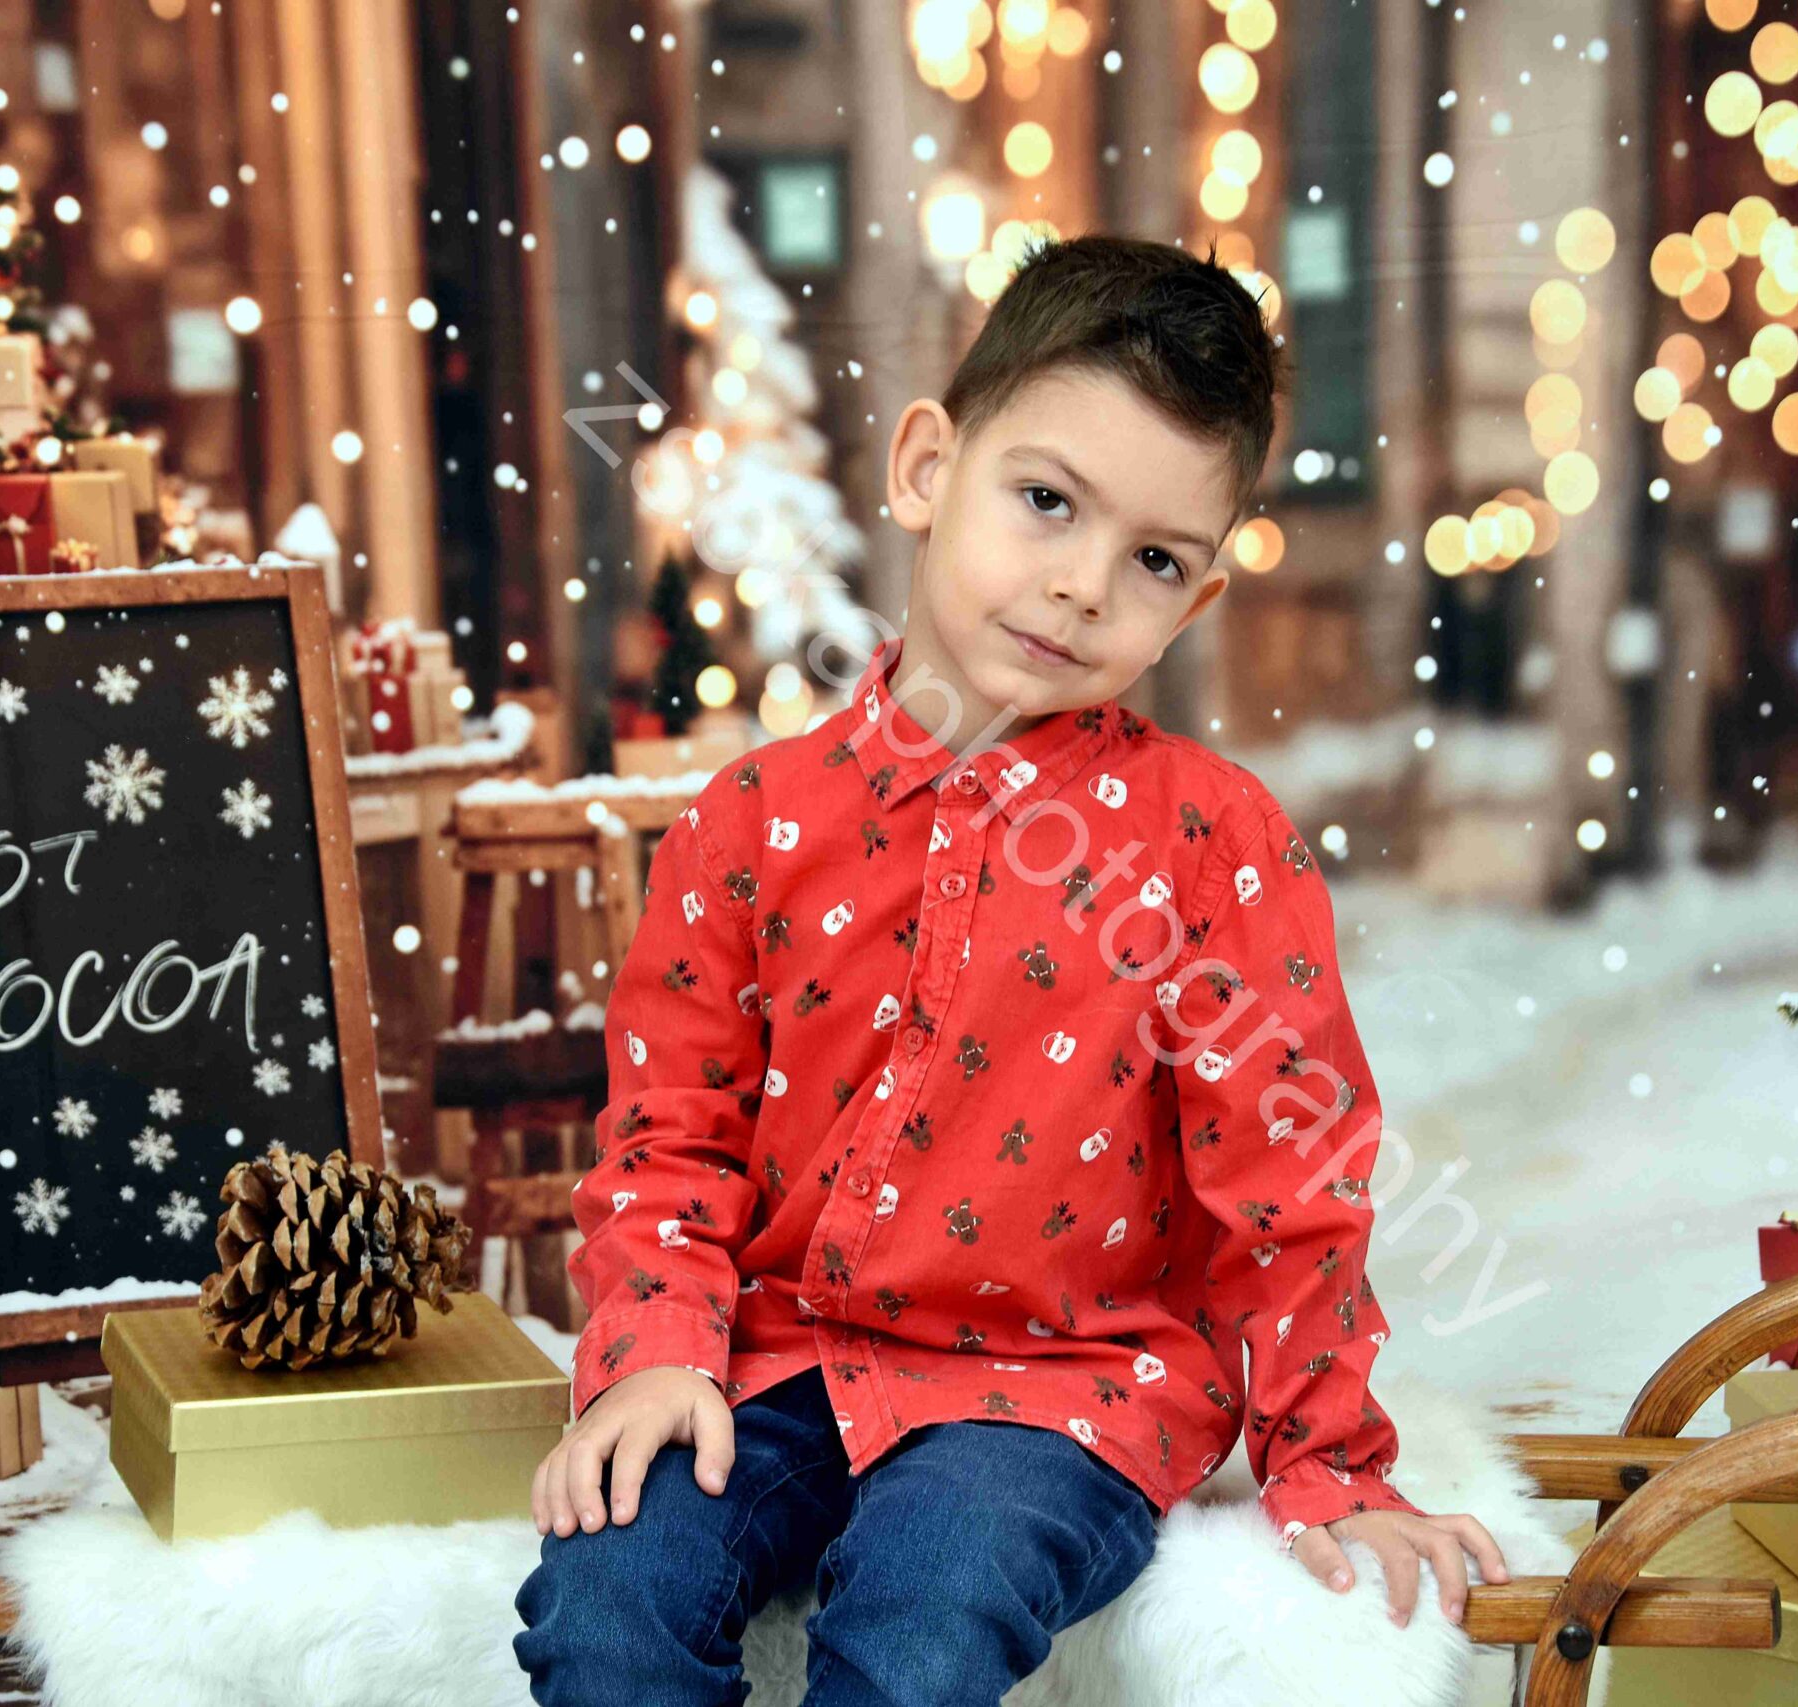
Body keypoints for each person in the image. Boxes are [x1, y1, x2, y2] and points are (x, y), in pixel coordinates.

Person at [513, 233, 1509, 1706]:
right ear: (928, 467)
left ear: (1196, 602)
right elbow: (671, 1138)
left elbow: (1290, 1184)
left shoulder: (1212, 848)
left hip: (1059, 1395)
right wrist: (658, 1348)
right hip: (771, 1365)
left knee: (922, 1623)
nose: (1081, 586)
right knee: (608, 1601)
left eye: (1154, 560)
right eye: (1046, 501)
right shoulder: (747, 824)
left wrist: (1330, 1464)